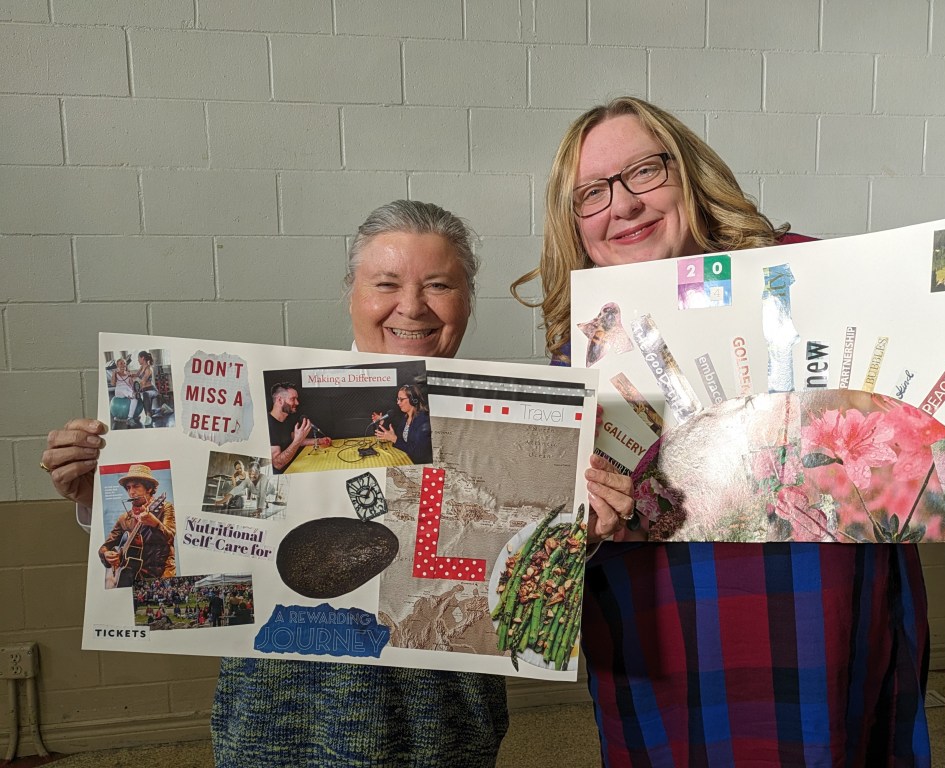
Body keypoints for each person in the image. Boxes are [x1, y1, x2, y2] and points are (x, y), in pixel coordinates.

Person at [513, 96, 945, 767]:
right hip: (657, 630)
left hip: (815, 614)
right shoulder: (584, 343)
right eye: (593, 193)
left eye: (644, 172)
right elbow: (550, 546)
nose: (624, 204)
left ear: (689, 174)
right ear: (574, 222)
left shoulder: (802, 271)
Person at [47, 199, 624, 767]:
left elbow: (514, 566)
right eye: (387, 283)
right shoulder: (264, 406)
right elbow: (189, 568)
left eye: (439, 285)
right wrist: (94, 496)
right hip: (275, 731)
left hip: (445, 733)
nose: (412, 307)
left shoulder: (516, 422)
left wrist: (581, 532)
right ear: (351, 291)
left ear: (468, 299)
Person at [98, 463, 176, 587]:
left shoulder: (164, 507)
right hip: (132, 577)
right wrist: (106, 555)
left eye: (136, 486)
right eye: (128, 488)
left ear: (149, 488)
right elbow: (105, 547)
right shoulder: (124, 518)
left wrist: (155, 523)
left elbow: (171, 536)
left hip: (162, 573)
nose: (131, 492)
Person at [267, 382, 331, 474]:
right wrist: (298, 440)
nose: (297, 402)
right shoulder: (268, 425)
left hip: (294, 466)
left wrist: (319, 441)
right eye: (293, 399)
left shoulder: (287, 419)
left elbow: (295, 439)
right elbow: (277, 464)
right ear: (280, 400)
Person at [373, 383, 432, 464]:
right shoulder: (406, 417)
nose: (398, 402)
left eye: (401, 399)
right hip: (405, 457)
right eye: (398, 399)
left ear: (413, 400)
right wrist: (383, 423)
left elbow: (418, 453)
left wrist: (394, 439)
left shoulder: (424, 421)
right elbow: (402, 440)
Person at [108, 356, 142, 428]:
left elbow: (130, 384)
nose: (123, 365)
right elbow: (113, 384)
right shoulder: (116, 373)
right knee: (125, 390)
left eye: (124, 363)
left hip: (128, 390)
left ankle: (130, 418)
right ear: (117, 365)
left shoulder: (128, 373)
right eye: (121, 363)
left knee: (135, 399)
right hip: (119, 391)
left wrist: (131, 378)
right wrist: (114, 374)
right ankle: (133, 394)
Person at [135, 351, 160, 426]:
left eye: (138, 358)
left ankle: (148, 417)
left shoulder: (148, 369)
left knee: (145, 394)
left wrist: (134, 388)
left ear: (143, 358)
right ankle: (162, 409)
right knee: (148, 409)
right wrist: (127, 375)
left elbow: (142, 382)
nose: (138, 360)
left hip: (152, 390)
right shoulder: (141, 367)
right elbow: (136, 375)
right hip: (145, 391)